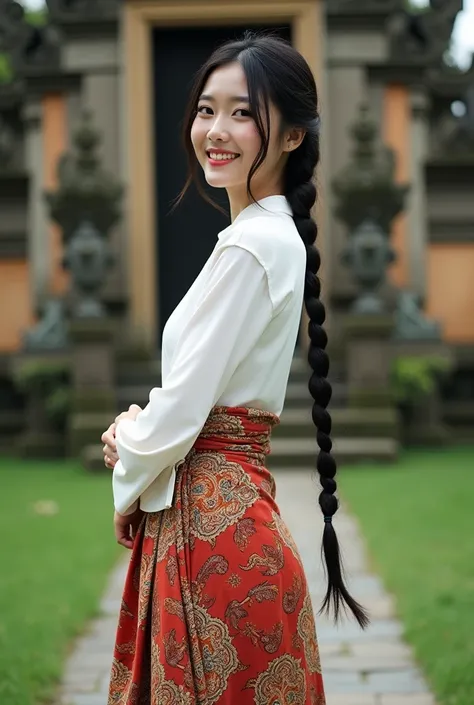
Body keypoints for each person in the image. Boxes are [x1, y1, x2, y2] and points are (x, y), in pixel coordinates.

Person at [101, 31, 368, 705]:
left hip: (211, 539)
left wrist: (128, 440)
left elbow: (185, 409)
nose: (217, 130)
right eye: (206, 109)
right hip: (227, 525)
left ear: (292, 136)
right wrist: (140, 433)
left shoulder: (253, 245)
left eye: (244, 112)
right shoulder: (270, 236)